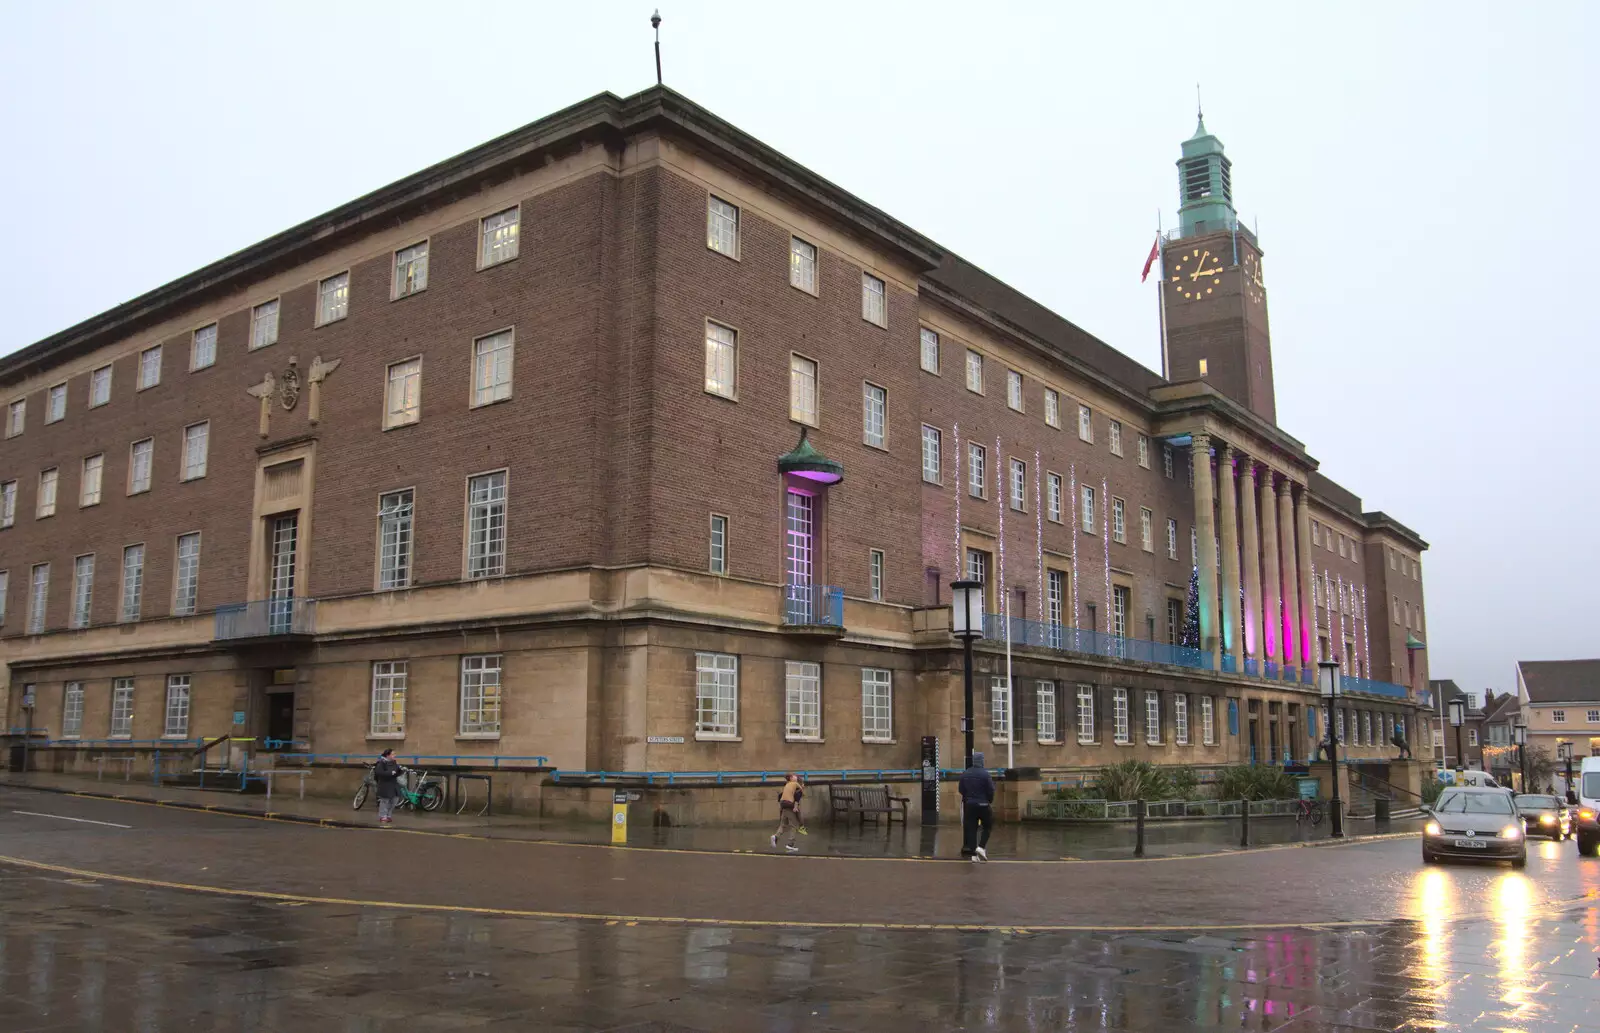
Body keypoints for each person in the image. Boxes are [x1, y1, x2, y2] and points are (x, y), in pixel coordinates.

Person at [959, 752, 996, 862]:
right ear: (982, 761)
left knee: (971, 829)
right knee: (988, 826)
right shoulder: (985, 774)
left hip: (970, 805)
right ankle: (981, 847)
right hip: (983, 804)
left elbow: (961, 789)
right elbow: (991, 790)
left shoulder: (965, 773)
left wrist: (967, 798)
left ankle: (974, 855)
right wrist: (989, 800)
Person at [770, 773, 804, 853]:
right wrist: (801, 788)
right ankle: (790, 844)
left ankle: (775, 837)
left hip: (783, 805)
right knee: (794, 825)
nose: (795, 776)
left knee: (783, 825)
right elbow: (800, 793)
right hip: (789, 806)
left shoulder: (787, 785)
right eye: (794, 776)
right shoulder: (795, 785)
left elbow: (781, 796)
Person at [373, 748, 403, 827]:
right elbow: (379, 773)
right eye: (393, 754)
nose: (394, 755)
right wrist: (390, 773)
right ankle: (383, 816)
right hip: (385, 784)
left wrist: (399, 770)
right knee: (385, 800)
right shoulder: (381, 763)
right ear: (388, 755)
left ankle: (388, 815)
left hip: (393, 784)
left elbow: (397, 772)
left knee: (395, 799)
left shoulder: (394, 763)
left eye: (394, 754)